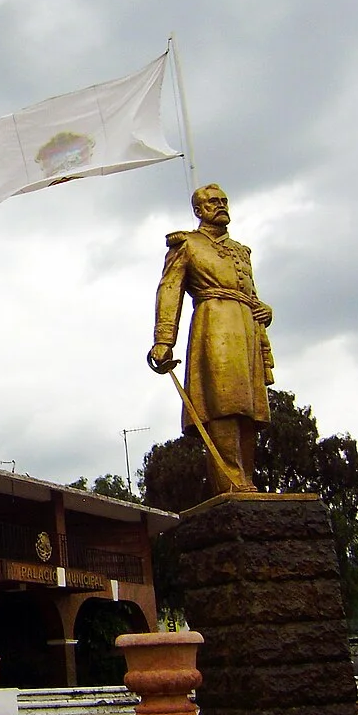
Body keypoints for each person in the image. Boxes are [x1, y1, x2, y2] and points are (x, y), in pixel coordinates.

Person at [148, 184, 273, 494]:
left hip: (247, 329)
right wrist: (164, 339)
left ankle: (247, 478)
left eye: (224, 201)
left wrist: (262, 308)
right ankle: (231, 480)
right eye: (212, 202)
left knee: (249, 407)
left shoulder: (241, 251)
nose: (220, 206)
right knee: (222, 402)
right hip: (213, 323)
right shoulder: (187, 244)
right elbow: (170, 288)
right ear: (199, 210)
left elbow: (249, 291)